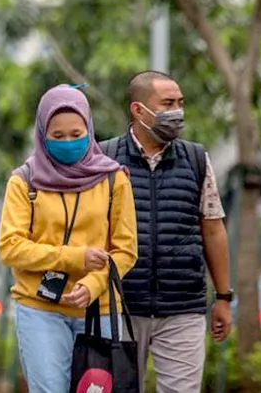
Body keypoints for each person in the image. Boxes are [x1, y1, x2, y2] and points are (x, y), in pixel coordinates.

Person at [0, 84, 138, 393]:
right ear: (41, 134)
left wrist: (92, 284)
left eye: (76, 134)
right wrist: (75, 257)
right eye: (57, 136)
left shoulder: (114, 179)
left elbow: (126, 250)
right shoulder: (25, 181)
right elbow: (10, 247)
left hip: (99, 308)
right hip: (40, 307)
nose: (68, 142)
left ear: (89, 129)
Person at [99, 71, 232, 393]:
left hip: (182, 307)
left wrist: (224, 297)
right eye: (168, 103)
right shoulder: (103, 159)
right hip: (120, 306)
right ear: (138, 110)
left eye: (180, 103)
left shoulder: (197, 160)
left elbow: (213, 229)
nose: (177, 113)